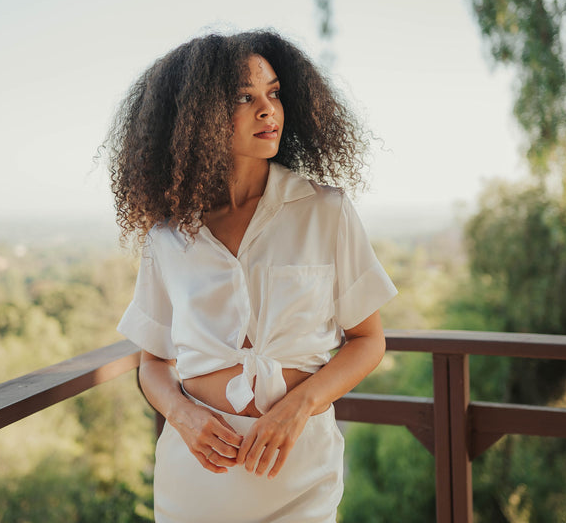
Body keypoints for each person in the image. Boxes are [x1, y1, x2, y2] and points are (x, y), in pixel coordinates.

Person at [107, 30, 397, 523]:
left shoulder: (325, 211)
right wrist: (182, 415)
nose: (269, 110)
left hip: (299, 470)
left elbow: (367, 340)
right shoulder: (168, 235)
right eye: (245, 97)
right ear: (196, 116)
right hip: (196, 477)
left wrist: (300, 405)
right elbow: (153, 362)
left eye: (274, 93)